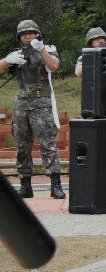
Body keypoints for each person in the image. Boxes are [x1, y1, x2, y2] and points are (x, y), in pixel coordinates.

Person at [0, 20, 64, 199]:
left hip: (41, 101)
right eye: (24, 34)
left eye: (31, 33)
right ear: (20, 37)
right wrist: (7, 60)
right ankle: (25, 184)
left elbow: (54, 66)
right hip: (21, 103)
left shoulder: (48, 49)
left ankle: (55, 184)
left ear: (37, 34)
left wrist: (41, 49)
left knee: (47, 144)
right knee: (22, 145)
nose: (28, 36)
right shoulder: (16, 54)